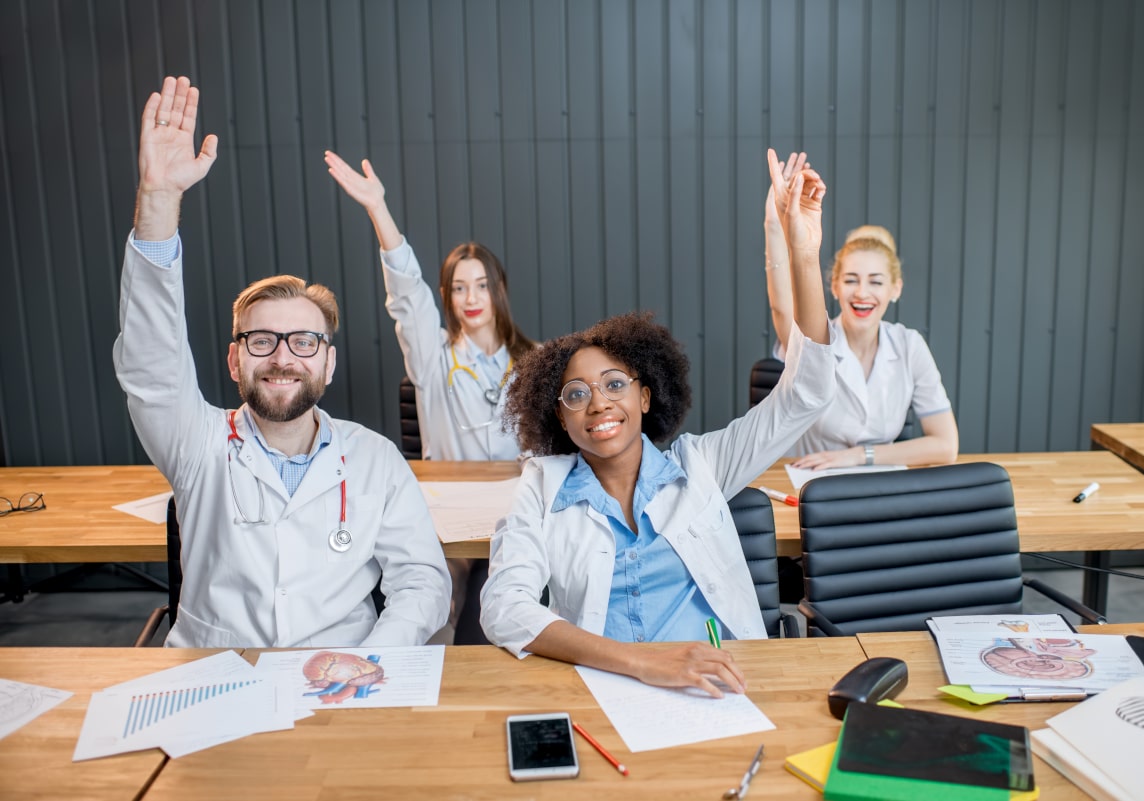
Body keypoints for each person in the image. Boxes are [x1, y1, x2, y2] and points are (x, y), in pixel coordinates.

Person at [479, 150, 836, 698]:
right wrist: (641, 663)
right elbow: (505, 608)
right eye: (577, 394)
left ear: (646, 396)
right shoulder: (542, 488)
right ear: (560, 417)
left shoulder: (703, 465)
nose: (599, 403)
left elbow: (806, 391)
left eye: (615, 384)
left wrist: (803, 252)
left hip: (723, 686)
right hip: (610, 690)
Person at [114, 76, 451, 648]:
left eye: (303, 342)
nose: (282, 358)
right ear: (234, 359)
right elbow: (151, 362)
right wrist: (159, 201)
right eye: (261, 340)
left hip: (344, 689)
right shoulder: (197, 445)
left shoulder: (374, 459)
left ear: (328, 363)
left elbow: (421, 581)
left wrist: (371, 661)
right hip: (213, 682)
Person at [324, 150, 536, 643]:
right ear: (446, 295)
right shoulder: (433, 357)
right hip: (451, 513)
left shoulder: (535, 360)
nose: (471, 298)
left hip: (517, 510)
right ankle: (414, 691)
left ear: (498, 289)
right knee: (441, 599)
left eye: (482, 284)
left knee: (514, 606)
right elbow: (407, 298)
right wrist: (379, 210)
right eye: (459, 288)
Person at [763, 187, 958, 469]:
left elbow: (946, 445)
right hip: (810, 485)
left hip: (879, 485)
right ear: (834, 286)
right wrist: (775, 223)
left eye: (876, 282)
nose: (862, 293)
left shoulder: (909, 345)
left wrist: (858, 456)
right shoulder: (816, 341)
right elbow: (782, 308)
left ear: (895, 288)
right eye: (851, 280)